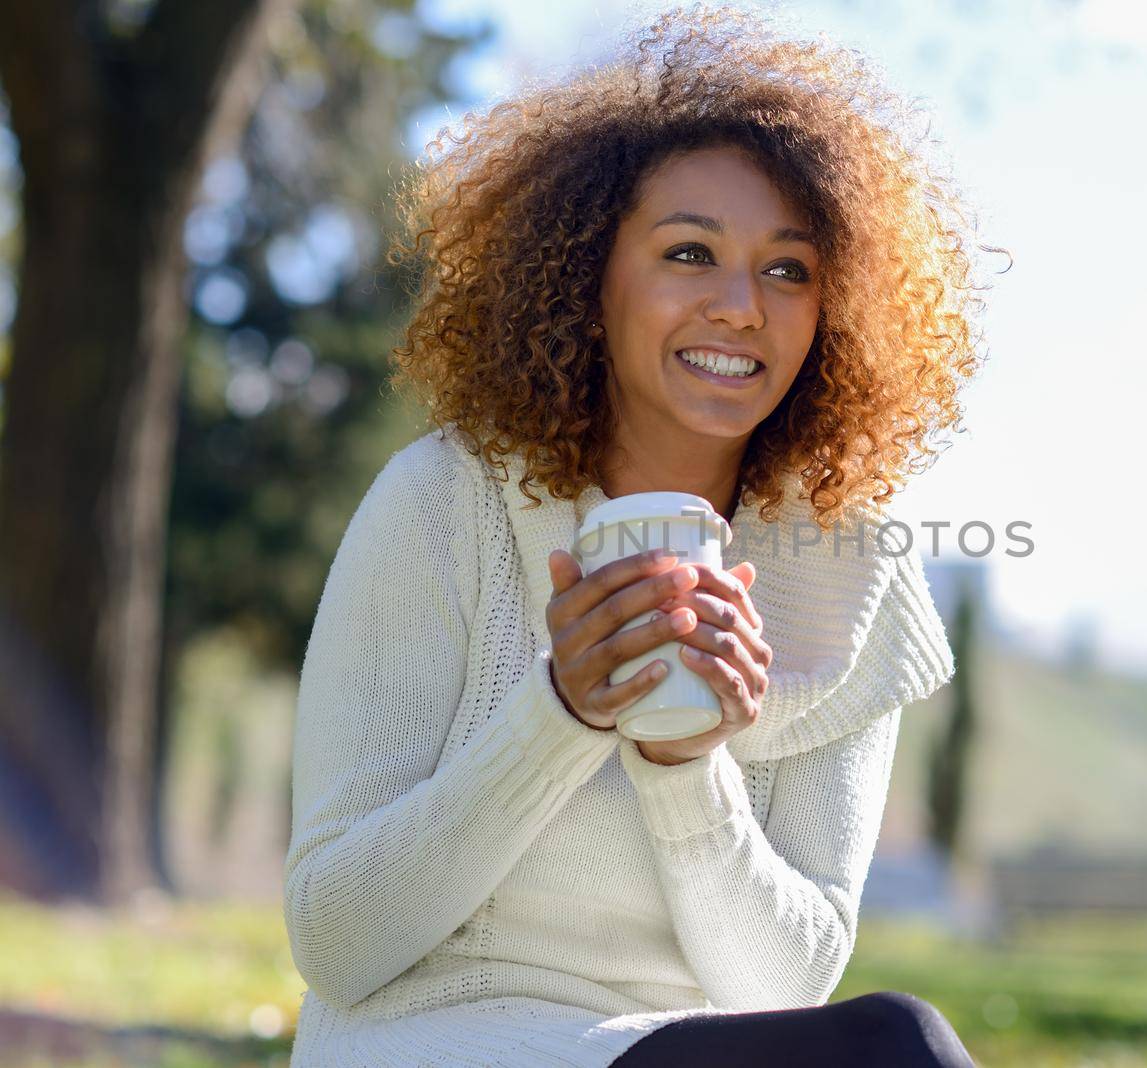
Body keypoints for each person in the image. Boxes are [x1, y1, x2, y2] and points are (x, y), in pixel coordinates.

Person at [282, 6, 997, 1066]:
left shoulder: (854, 568)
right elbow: (337, 943)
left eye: (788, 270)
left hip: (675, 1048)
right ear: (588, 277)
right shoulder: (443, 502)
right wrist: (561, 710)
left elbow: (783, 984)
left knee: (899, 1039)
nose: (741, 307)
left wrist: (682, 759)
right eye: (689, 254)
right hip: (439, 1039)